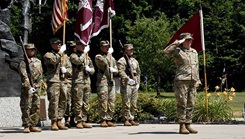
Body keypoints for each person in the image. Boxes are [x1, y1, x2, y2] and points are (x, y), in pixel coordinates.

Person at [163, 32, 201, 134]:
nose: (190, 42)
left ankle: (188, 124)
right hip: (182, 81)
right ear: (183, 41)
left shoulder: (194, 52)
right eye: (187, 40)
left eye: (191, 40)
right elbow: (166, 51)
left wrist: (198, 79)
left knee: (191, 103)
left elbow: (196, 67)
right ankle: (182, 126)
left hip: (192, 81)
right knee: (182, 103)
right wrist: (177, 42)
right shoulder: (178, 51)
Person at [43, 38, 72, 131]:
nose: (59, 45)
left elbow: (70, 70)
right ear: (52, 45)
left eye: (60, 44)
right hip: (53, 81)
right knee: (54, 101)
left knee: (63, 101)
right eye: (56, 44)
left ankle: (60, 120)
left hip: (63, 81)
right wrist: (60, 53)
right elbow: (53, 61)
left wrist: (66, 71)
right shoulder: (48, 55)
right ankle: (53, 122)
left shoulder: (65, 56)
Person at [70, 40, 95, 129]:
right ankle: (78, 120)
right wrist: (84, 53)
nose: (83, 47)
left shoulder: (88, 57)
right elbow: (78, 61)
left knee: (86, 102)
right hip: (78, 82)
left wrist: (89, 70)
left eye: (84, 45)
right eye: (81, 45)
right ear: (76, 46)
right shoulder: (73, 55)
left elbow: (93, 70)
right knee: (78, 102)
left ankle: (84, 119)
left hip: (87, 81)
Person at [19, 43, 42, 133]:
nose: (32, 51)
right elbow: (24, 76)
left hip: (36, 87)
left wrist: (38, 85)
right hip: (27, 88)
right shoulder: (23, 63)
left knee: (35, 106)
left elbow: (40, 75)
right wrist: (28, 87)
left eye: (33, 49)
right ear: (26, 51)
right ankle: (26, 125)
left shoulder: (38, 61)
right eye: (30, 49)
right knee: (26, 106)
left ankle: (33, 124)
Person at [95, 41, 118, 127]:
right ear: (101, 48)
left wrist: (115, 70)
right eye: (105, 46)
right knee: (103, 100)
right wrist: (109, 55)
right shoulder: (98, 56)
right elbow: (103, 63)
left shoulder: (112, 58)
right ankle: (103, 119)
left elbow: (116, 69)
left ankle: (109, 118)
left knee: (111, 100)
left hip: (111, 81)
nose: (107, 48)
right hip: (103, 81)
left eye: (108, 46)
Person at [117, 43, 141, 126]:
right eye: (130, 49)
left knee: (133, 103)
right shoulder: (121, 61)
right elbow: (121, 72)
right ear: (125, 50)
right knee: (126, 102)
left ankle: (132, 118)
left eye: (132, 49)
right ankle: (126, 119)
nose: (132, 51)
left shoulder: (135, 61)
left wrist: (138, 82)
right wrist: (128, 79)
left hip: (134, 83)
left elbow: (138, 72)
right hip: (126, 83)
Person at [64, 41, 76, 128]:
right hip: (67, 81)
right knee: (67, 101)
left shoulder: (76, 57)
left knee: (75, 101)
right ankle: (66, 119)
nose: (73, 49)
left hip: (76, 81)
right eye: (71, 47)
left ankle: (73, 119)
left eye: (74, 47)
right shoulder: (64, 58)